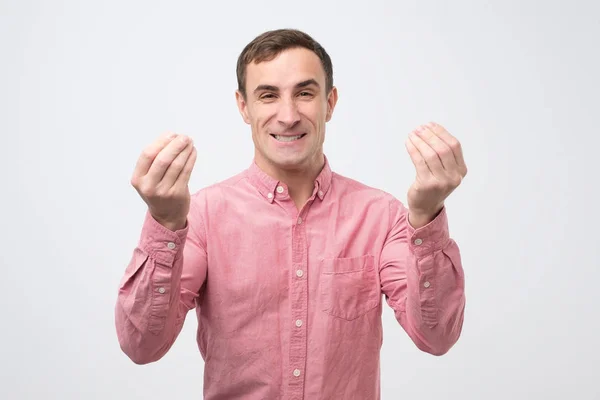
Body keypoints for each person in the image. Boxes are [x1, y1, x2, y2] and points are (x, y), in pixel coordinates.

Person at [115, 28, 467, 400]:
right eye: (268, 95)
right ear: (243, 107)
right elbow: (142, 345)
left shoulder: (381, 216)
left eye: (304, 93)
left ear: (329, 103)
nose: (288, 115)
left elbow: (437, 336)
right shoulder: (202, 216)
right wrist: (166, 224)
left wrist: (427, 215)